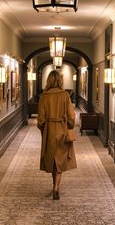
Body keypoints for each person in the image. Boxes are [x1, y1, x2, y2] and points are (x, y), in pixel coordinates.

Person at [37, 70, 77, 200]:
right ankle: (56, 187)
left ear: (48, 80)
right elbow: (71, 115)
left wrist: (43, 128)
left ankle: (54, 184)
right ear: (59, 80)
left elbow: (41, 119)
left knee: (51, 159)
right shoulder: (65, 95)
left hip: (49, 131)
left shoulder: (44, 97)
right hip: (62, 129)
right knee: (60, 159)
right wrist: (69, 126)